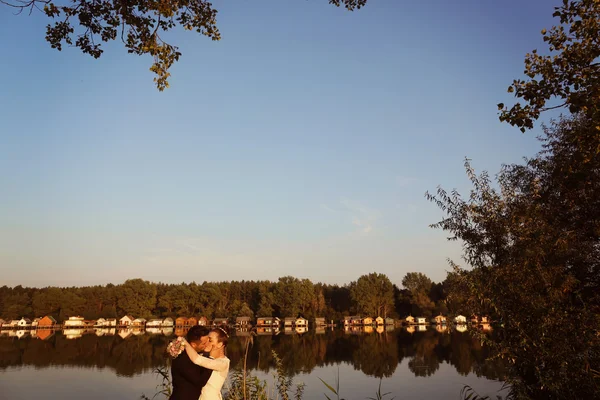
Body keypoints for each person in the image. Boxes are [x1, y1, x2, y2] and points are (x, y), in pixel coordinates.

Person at [183, 327, 230, 400]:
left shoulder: (223, 363)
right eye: (207, 340)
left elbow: (197, 359)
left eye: (210, 340)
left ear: (220, 344)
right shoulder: (205, 357)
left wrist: (184, 342)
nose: (207, 343)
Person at [169, 326, 212, 400]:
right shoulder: (182, 358)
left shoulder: (197, 355)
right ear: (193, 344)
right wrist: (207, 356)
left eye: (209, 341)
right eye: (204, 343)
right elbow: (200, 381)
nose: (208, 345)